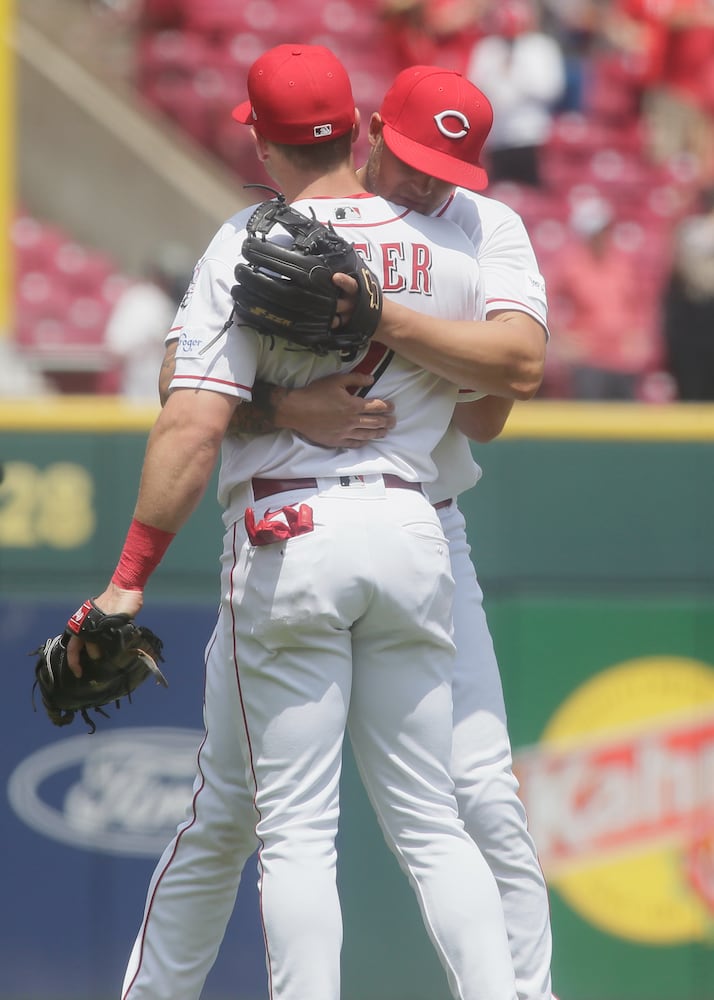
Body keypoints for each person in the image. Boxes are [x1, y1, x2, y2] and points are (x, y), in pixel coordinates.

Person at [66, 44, 541, 1000]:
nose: (425, 179)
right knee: (426, 821)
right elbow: (494, 396)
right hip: (408, 535)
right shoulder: (454, 247)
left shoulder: (254, 238)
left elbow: (187, 407)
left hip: (294, 538)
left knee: (298, 830)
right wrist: (305, 394)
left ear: (259, 135)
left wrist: (127, 580)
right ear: (361, 128)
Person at [548, 193, 656, 399]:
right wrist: (562, 338)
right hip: (589, 359)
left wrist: (640, 335)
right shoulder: (570, 263)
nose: (602, 235)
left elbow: (642, 303)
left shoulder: (623, 262)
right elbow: (546, 300)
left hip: (623, 358)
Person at [464, 0, 567, 186]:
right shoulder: (487, 48)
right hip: (497, 136)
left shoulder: (540, 47)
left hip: (532, 134)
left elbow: (550, 89)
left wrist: (516, 73)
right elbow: (475, 87)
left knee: (534, 195)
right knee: (501, 192)